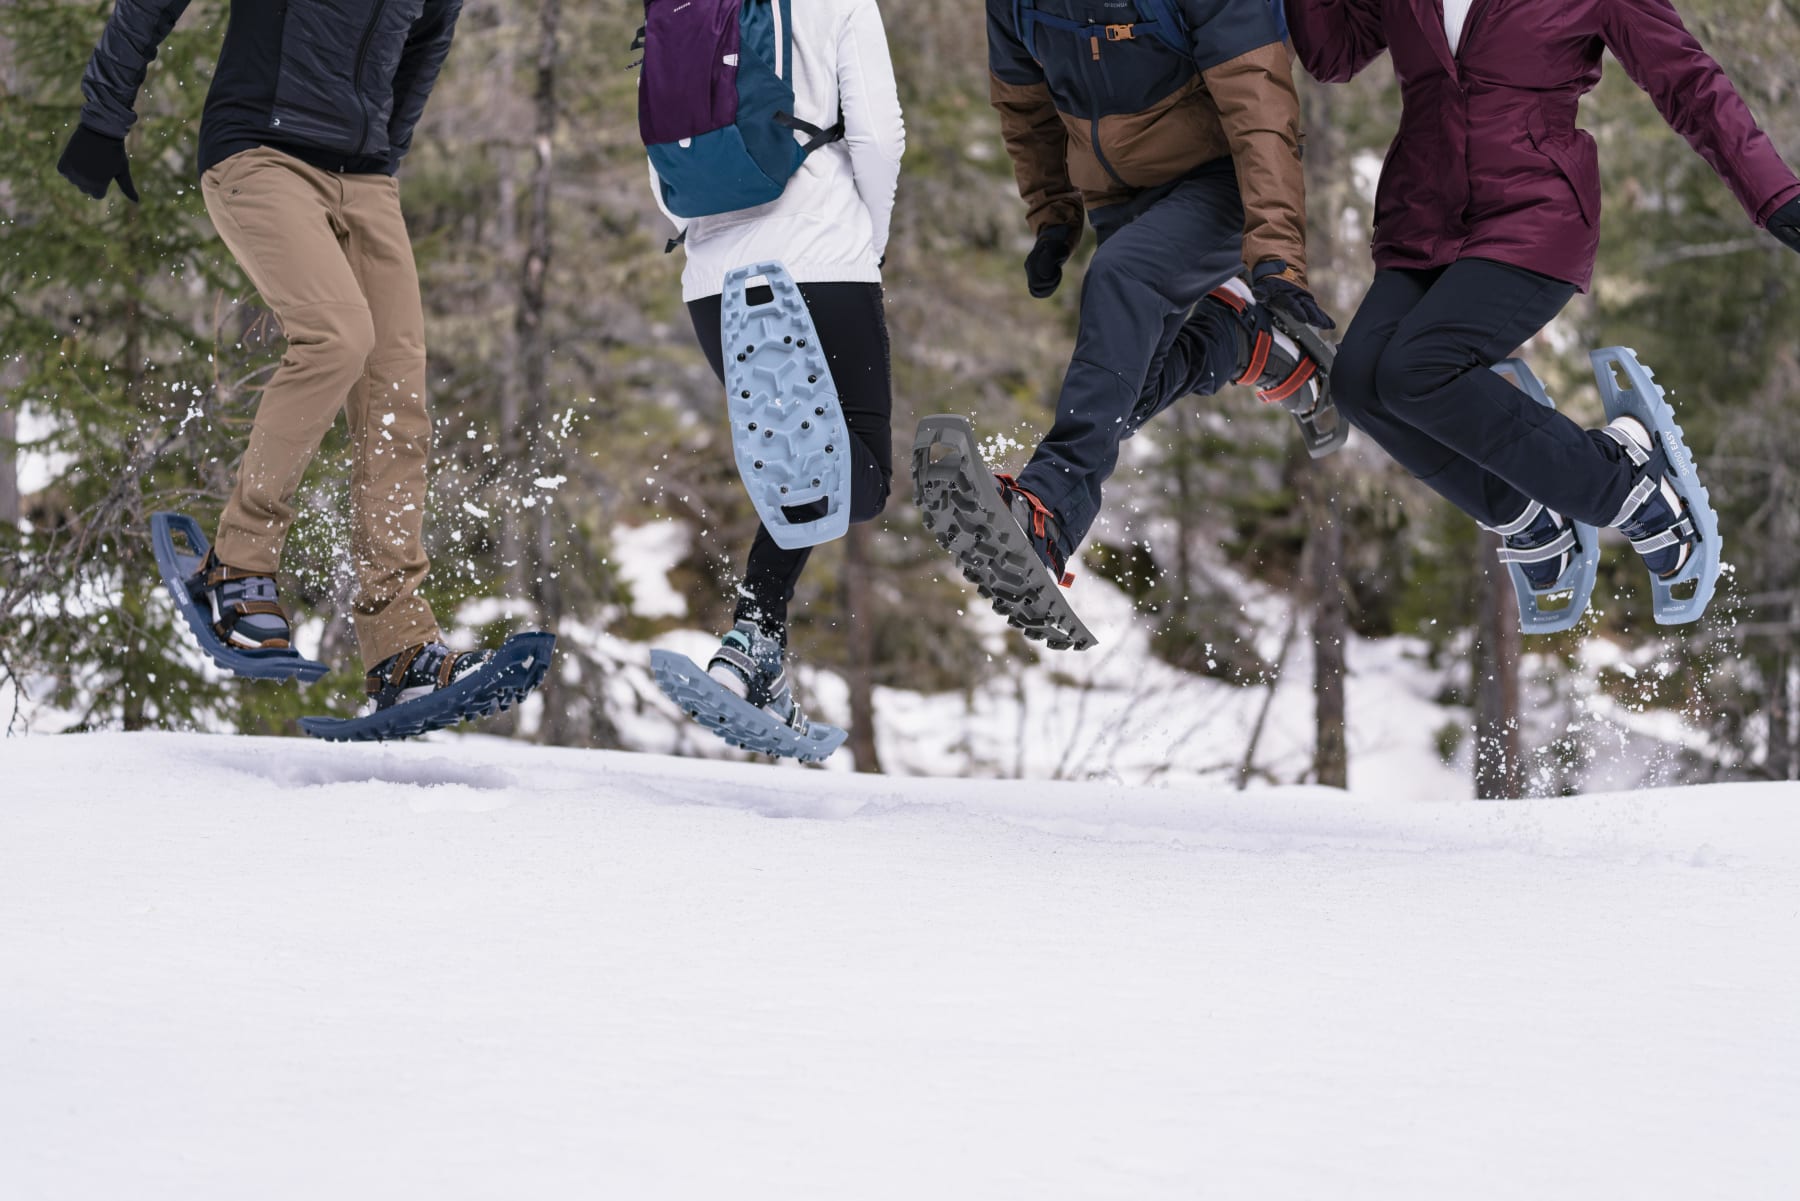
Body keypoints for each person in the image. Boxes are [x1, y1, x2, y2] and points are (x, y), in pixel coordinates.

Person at [57, 0, 542, 718]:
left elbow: (425, 46)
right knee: (337, 337)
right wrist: (106, 112)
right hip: (259, 152)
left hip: (365, 175)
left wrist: (382, 152)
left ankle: (399, 644)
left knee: (397, 387)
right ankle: (237, 565)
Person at [1287, 0, 1800, 618]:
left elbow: (1687, 81)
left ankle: (1632, 484)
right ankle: (1527, 512)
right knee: (1359, 383)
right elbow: (1333, 54)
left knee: (1416, 369)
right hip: (1421, 219)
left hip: (1533, 218)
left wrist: (1773, 192)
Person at [969, 0, 1333, 592]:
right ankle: (1236, 341)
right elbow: (1024, 103)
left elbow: (1259, 108)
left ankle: (1048, 510)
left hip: (1222, 181)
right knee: (1122, 390)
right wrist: (1052, 214)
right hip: (1118, 196)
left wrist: (1276, 255)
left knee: (1120, 276)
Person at [648, 0, 905, 742]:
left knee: (804, 458)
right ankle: (755, 637)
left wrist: (705, 234)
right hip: (824, 258)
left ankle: (753, 648)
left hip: (711, 277)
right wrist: (869, 238)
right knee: (854, 474)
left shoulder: (688, 6)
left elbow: (664, 154)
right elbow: (880, 136)